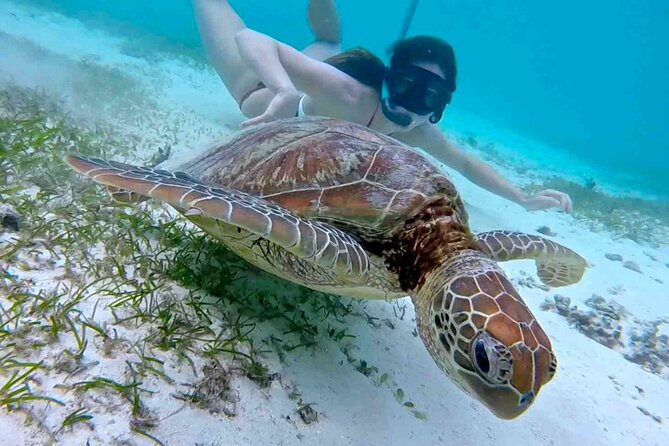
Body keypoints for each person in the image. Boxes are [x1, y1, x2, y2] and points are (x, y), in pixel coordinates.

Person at [192, 0, 573, 213]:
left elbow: (467, 164)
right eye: (406, 85)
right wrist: (282, 90)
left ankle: (324, 43)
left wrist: (523, 198)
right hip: (253, 83)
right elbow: (250, 38)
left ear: (440, 106)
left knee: (328, 41)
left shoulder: (420, 130)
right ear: (391, 79)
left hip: (321, 66)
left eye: (429, 97)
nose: (411, 104)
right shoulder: (351, 94)